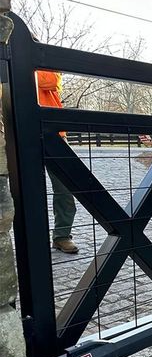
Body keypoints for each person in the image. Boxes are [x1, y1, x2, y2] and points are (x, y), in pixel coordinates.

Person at [36, 70, 79, 254]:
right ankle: (33, 238)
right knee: (28, 189)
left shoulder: (43, 61)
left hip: (55, 133)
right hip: (21, 131)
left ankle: (62, 235)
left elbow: (53, 80)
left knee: (64, 187)